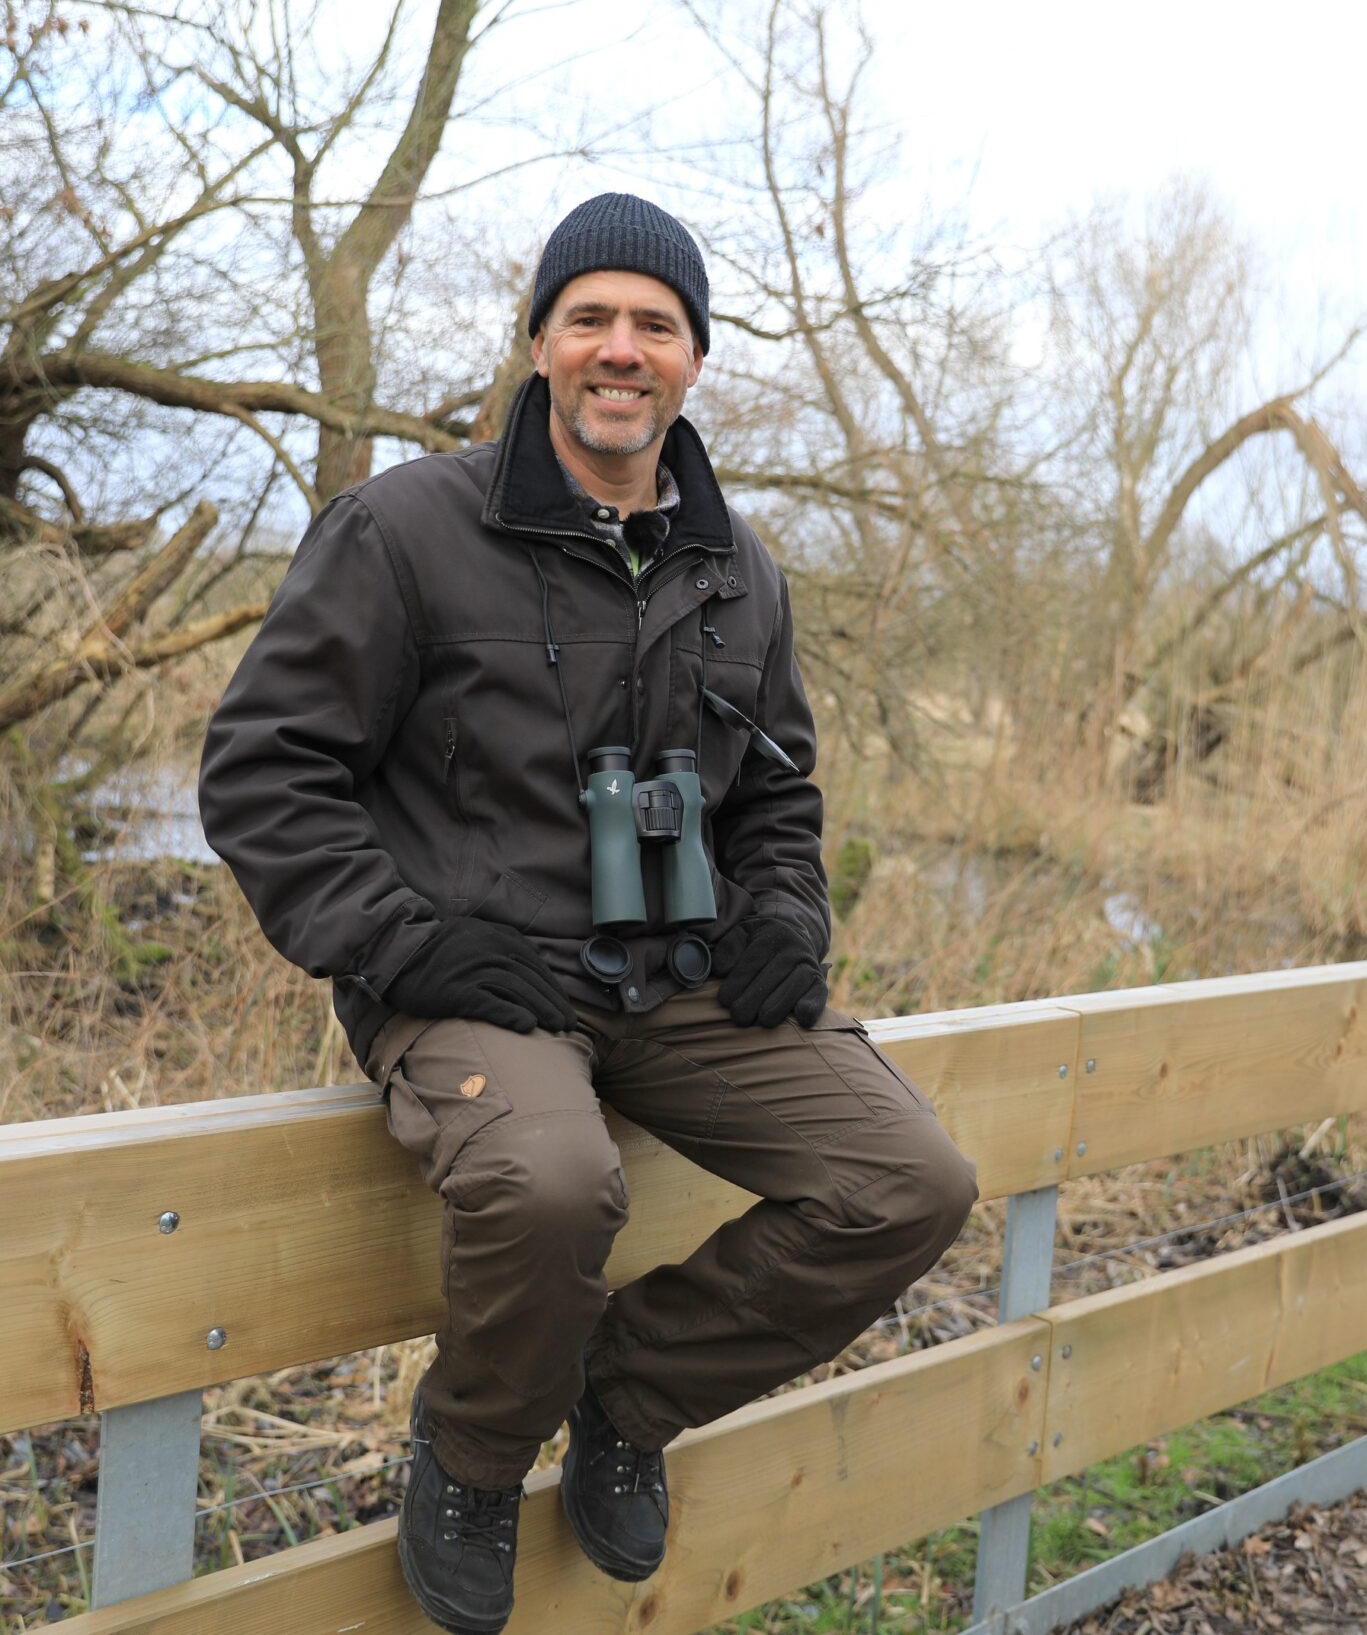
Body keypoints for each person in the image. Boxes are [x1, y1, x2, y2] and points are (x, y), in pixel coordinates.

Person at [196, 192, 976, 1634]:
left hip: (677, 979)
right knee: (555, 1181)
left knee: (909, 1181)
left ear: (695, 359)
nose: (623, 349)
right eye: (591, 318)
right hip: (467, 976)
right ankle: (476, 1454)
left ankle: (628, 1392)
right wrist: (404, 940)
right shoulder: (405, 530)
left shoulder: (740, 569)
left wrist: (786, 915)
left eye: (655, 326)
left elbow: (779, 796)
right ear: (541, 341)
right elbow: (264, 771)